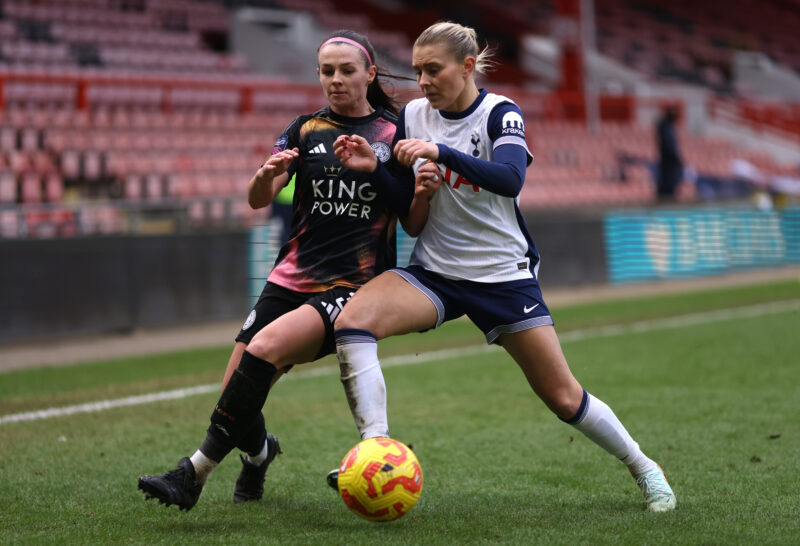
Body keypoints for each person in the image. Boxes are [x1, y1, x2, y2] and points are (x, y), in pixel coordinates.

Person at [329, 21, 677, 512]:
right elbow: (409, 215)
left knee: (562, 397)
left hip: (501, 277)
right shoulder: (411, 117)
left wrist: (441, 151)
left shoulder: (499, 113)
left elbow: (511, 179)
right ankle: (376, 450)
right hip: (435, 273)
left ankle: (645, 467)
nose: (423, 81)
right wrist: (382, 173)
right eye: (417, 71)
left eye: (433, 70)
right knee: (353, 322)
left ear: (467, 67)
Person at [138, 29, 424, 511]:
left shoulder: (395, 134)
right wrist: (263, 179)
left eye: (347, 70)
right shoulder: (303, 129)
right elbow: (259, 200)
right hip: (289, 277)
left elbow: (410, 214)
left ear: (370, 73)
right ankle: (258, 455)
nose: (335, 79)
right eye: (327, 70)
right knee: (239, 389)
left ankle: (193, 474)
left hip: (353, 286)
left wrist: (374, 170)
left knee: (265, 349)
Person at [655, 106, 683, 203]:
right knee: (667, 185)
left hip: (670, 163)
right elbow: (669, 146)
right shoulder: (665, 128)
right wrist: (676, 159)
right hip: (668, 163)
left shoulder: (669, 128)